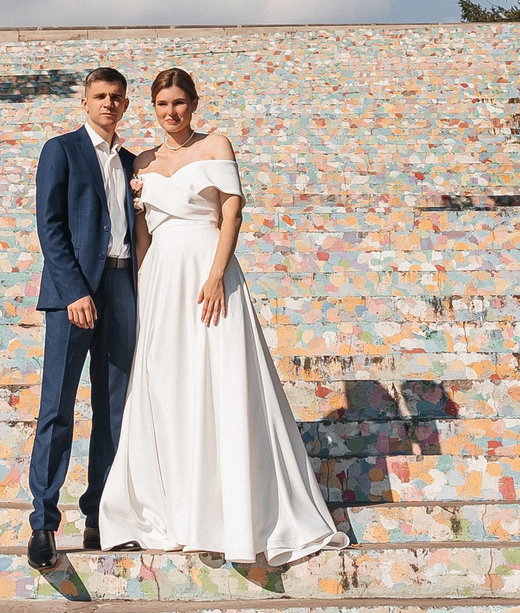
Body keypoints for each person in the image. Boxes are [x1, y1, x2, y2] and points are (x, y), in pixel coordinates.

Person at [93, 66, 347, 566]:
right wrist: (137, 287)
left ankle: (229, 517)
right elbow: (142, 235)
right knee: (167, 387)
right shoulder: (142, 160)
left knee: (220, 382)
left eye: (180, 103)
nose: (172, 112)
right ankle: (177, 512)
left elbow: (232, 213)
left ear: (194, 103)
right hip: (163, 280)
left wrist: (216, 273)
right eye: (163, 104)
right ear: (153, 108)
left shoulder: (217, 146)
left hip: (210, 274)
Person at [25, 66, 140, 569]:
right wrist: (73, 290)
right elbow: (50, 226)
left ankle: (100, 519)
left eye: (117, 97)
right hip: (74, 292)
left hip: (121, 288)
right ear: (85, 101)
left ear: (126, 105)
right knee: (58, 407)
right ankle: (44, 525)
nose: (108, 103)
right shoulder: (62, 150)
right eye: (100, 96)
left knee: (113, 412)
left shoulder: (134, 160)